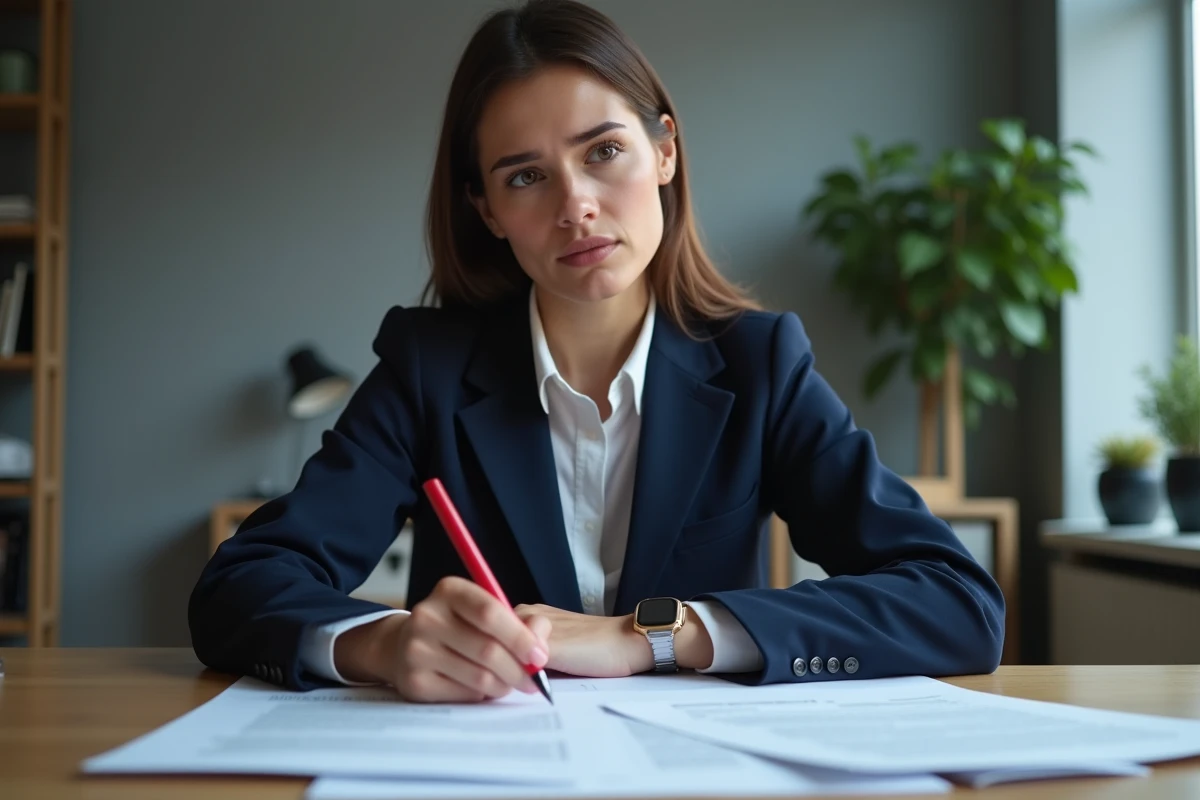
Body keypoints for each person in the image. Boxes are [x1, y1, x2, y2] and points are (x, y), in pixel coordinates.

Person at [188, 0, 1005, 703]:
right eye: (523, 177)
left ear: (664, 152)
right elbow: (236, 589)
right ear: (486, 210)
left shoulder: (762, 367)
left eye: (603, 151)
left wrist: (652, 635)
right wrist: (382, 645)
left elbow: (958, 602)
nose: (576, 206)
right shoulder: (426, 370)